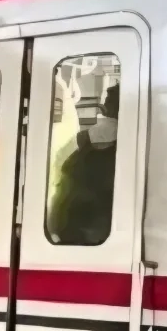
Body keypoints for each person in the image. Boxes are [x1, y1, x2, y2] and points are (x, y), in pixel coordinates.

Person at [47, 82, 118, 246]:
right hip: (99, 229)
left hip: (70, 225)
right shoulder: (130, 145)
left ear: (104, 109)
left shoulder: (78, 149)